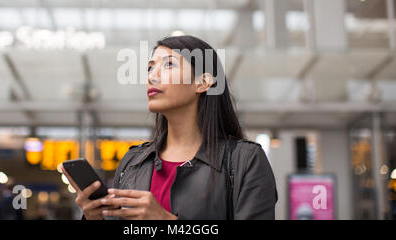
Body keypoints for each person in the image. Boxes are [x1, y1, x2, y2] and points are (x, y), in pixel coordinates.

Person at [62, 35, 278, 220]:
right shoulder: (133, 162)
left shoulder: (244, 161)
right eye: (150, 67)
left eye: (168, 65)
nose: (152, 76)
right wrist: (94, 217)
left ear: (203, 82)